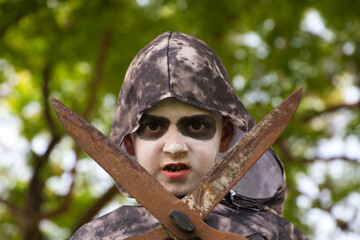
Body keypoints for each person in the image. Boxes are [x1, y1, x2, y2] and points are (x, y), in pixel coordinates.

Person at [70, 31, 308, 240]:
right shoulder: (98, 236)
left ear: (224, 136)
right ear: (130, 143)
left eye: (195, 126)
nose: (174, 147)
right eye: (153, 127)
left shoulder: (272, 234)